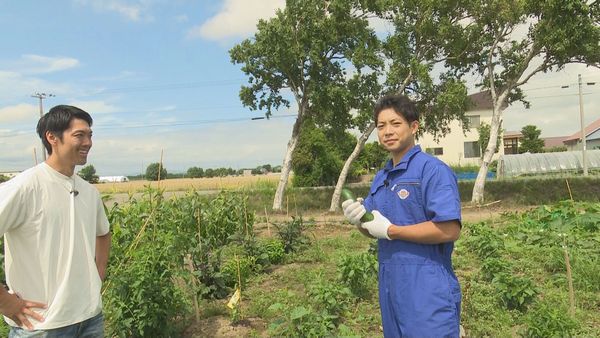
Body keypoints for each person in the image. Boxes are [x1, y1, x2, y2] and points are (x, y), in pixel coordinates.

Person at [342, 94, 462, 337]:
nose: (387, 131)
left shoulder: (432, 170)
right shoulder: (382, 177)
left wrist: (391, 231)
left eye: (395, 124)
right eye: (381, 126)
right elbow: (373, 228)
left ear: (414, 126)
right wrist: (359, 221)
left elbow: (450, 229)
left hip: (427, 287)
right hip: (391, 287)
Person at [0, 105, 111, 337]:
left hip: (90, 320)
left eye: (90, 135)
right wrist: (4, 301)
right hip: (42, 326)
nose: (88, 142)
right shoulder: (24, 187)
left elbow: (103, 233)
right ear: (52, 137)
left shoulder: (89, 192)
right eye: (79, 135)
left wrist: (97, 273)